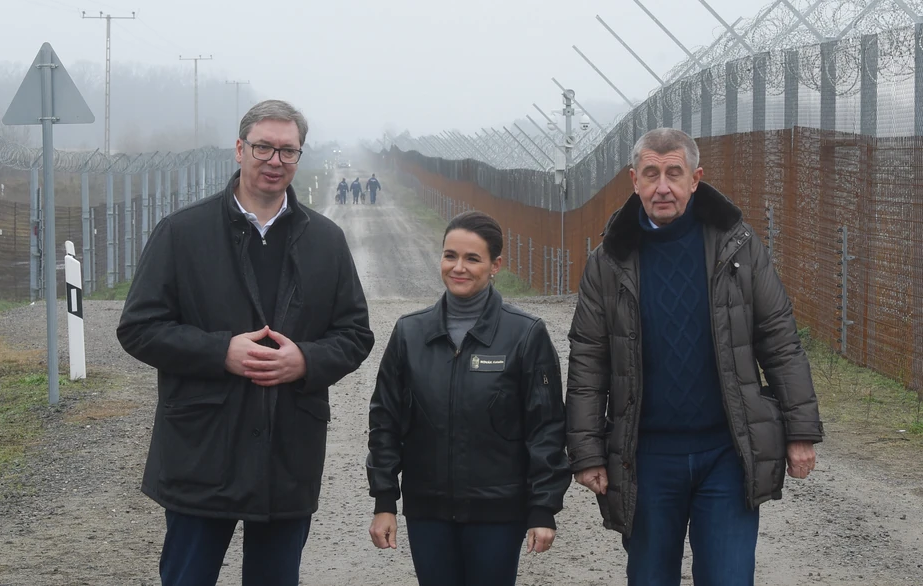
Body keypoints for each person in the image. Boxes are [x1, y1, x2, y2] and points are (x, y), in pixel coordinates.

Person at [117, 99, 375, 586]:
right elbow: (138, 327)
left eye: (288, 151)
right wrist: (221, 352)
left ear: (299, 157)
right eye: (263, 147)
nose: (275, 161)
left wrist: (306, 360)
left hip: (288, 451)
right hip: (201, 448)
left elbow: (356, 333)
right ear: (239, 149)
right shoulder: (182, 233)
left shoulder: (326, 240)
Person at [565, 127, 823, 586]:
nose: (662, 186)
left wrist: (800, 431)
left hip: (727, 452)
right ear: (634, 180)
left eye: (673, 173)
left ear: (695, 178)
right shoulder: (608, 262)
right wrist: (587, 452)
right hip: (645, 459)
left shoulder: (738, 247)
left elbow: (779, 340)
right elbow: (589, 362)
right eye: (651, 174)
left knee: (728, 578)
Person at [367, 211, 570, 586]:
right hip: (427, 510)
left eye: (472, 258)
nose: (458, 267)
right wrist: (384, 502)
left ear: (495, 265)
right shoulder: (410, 333)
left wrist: (543, 507)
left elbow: (546, 428)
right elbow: (385, 422)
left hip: (497, 512)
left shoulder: (525, 335)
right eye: (450, 256)